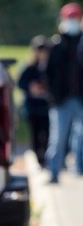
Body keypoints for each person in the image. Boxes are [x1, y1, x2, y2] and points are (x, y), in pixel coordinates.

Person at [44, 2, 83, 183]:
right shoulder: (56, 45)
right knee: (58, 139)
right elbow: (47, 74)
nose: (72, 21)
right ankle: (53, 173)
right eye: (69, 18)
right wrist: (53, 96)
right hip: (62, 100)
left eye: (75, 18)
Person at [17, 35, 51, 166]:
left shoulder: (49, 66)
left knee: (47, 134)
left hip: (46, 107)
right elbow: (21, 84)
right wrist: (31, 88)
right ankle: (39, 159)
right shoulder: (28, 68)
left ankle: (46, 158)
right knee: (35, 135)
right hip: (32, 107)